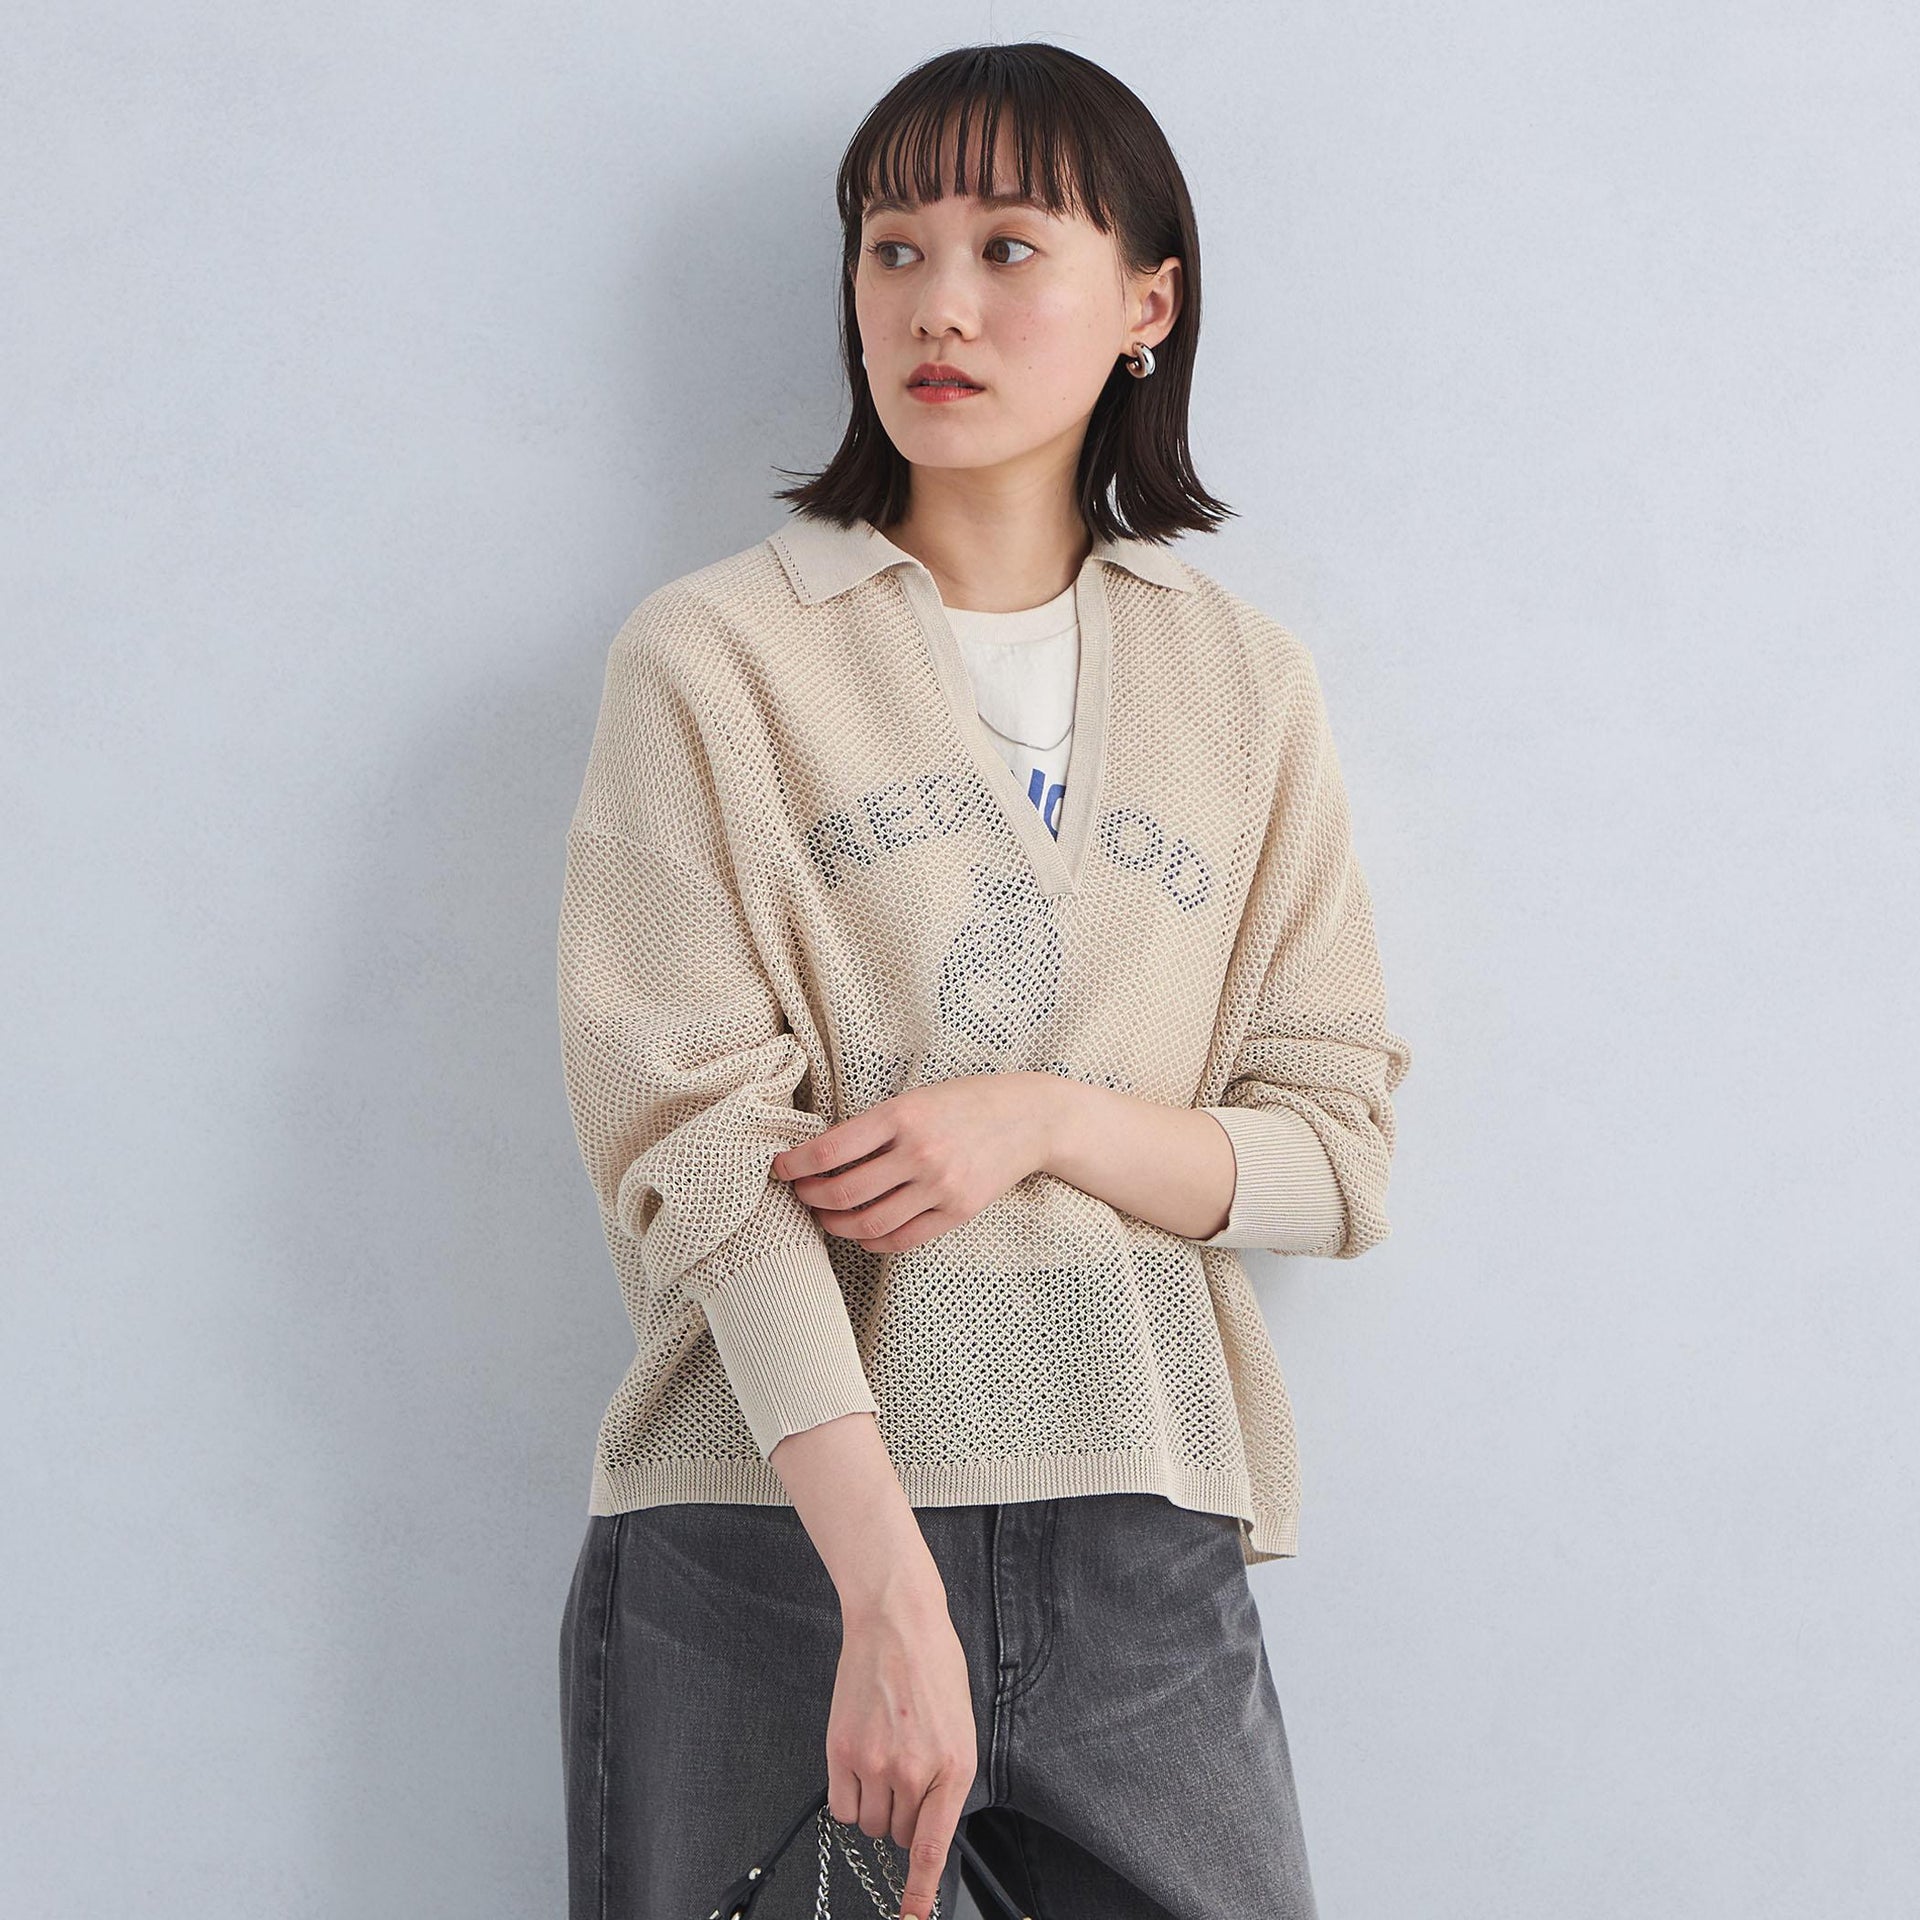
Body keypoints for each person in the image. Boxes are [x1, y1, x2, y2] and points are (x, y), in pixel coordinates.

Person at [555, 41, 1412, 1920]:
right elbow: (697, 1152)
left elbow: (1336, 1155)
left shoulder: (1240, 684)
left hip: (1137, 1534)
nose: (936, 304)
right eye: (893, 248)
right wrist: (880, 1588)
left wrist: (1038, 1120)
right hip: (772, 1543)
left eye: (1009, 247)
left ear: (1147, 303)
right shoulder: (719, 659)